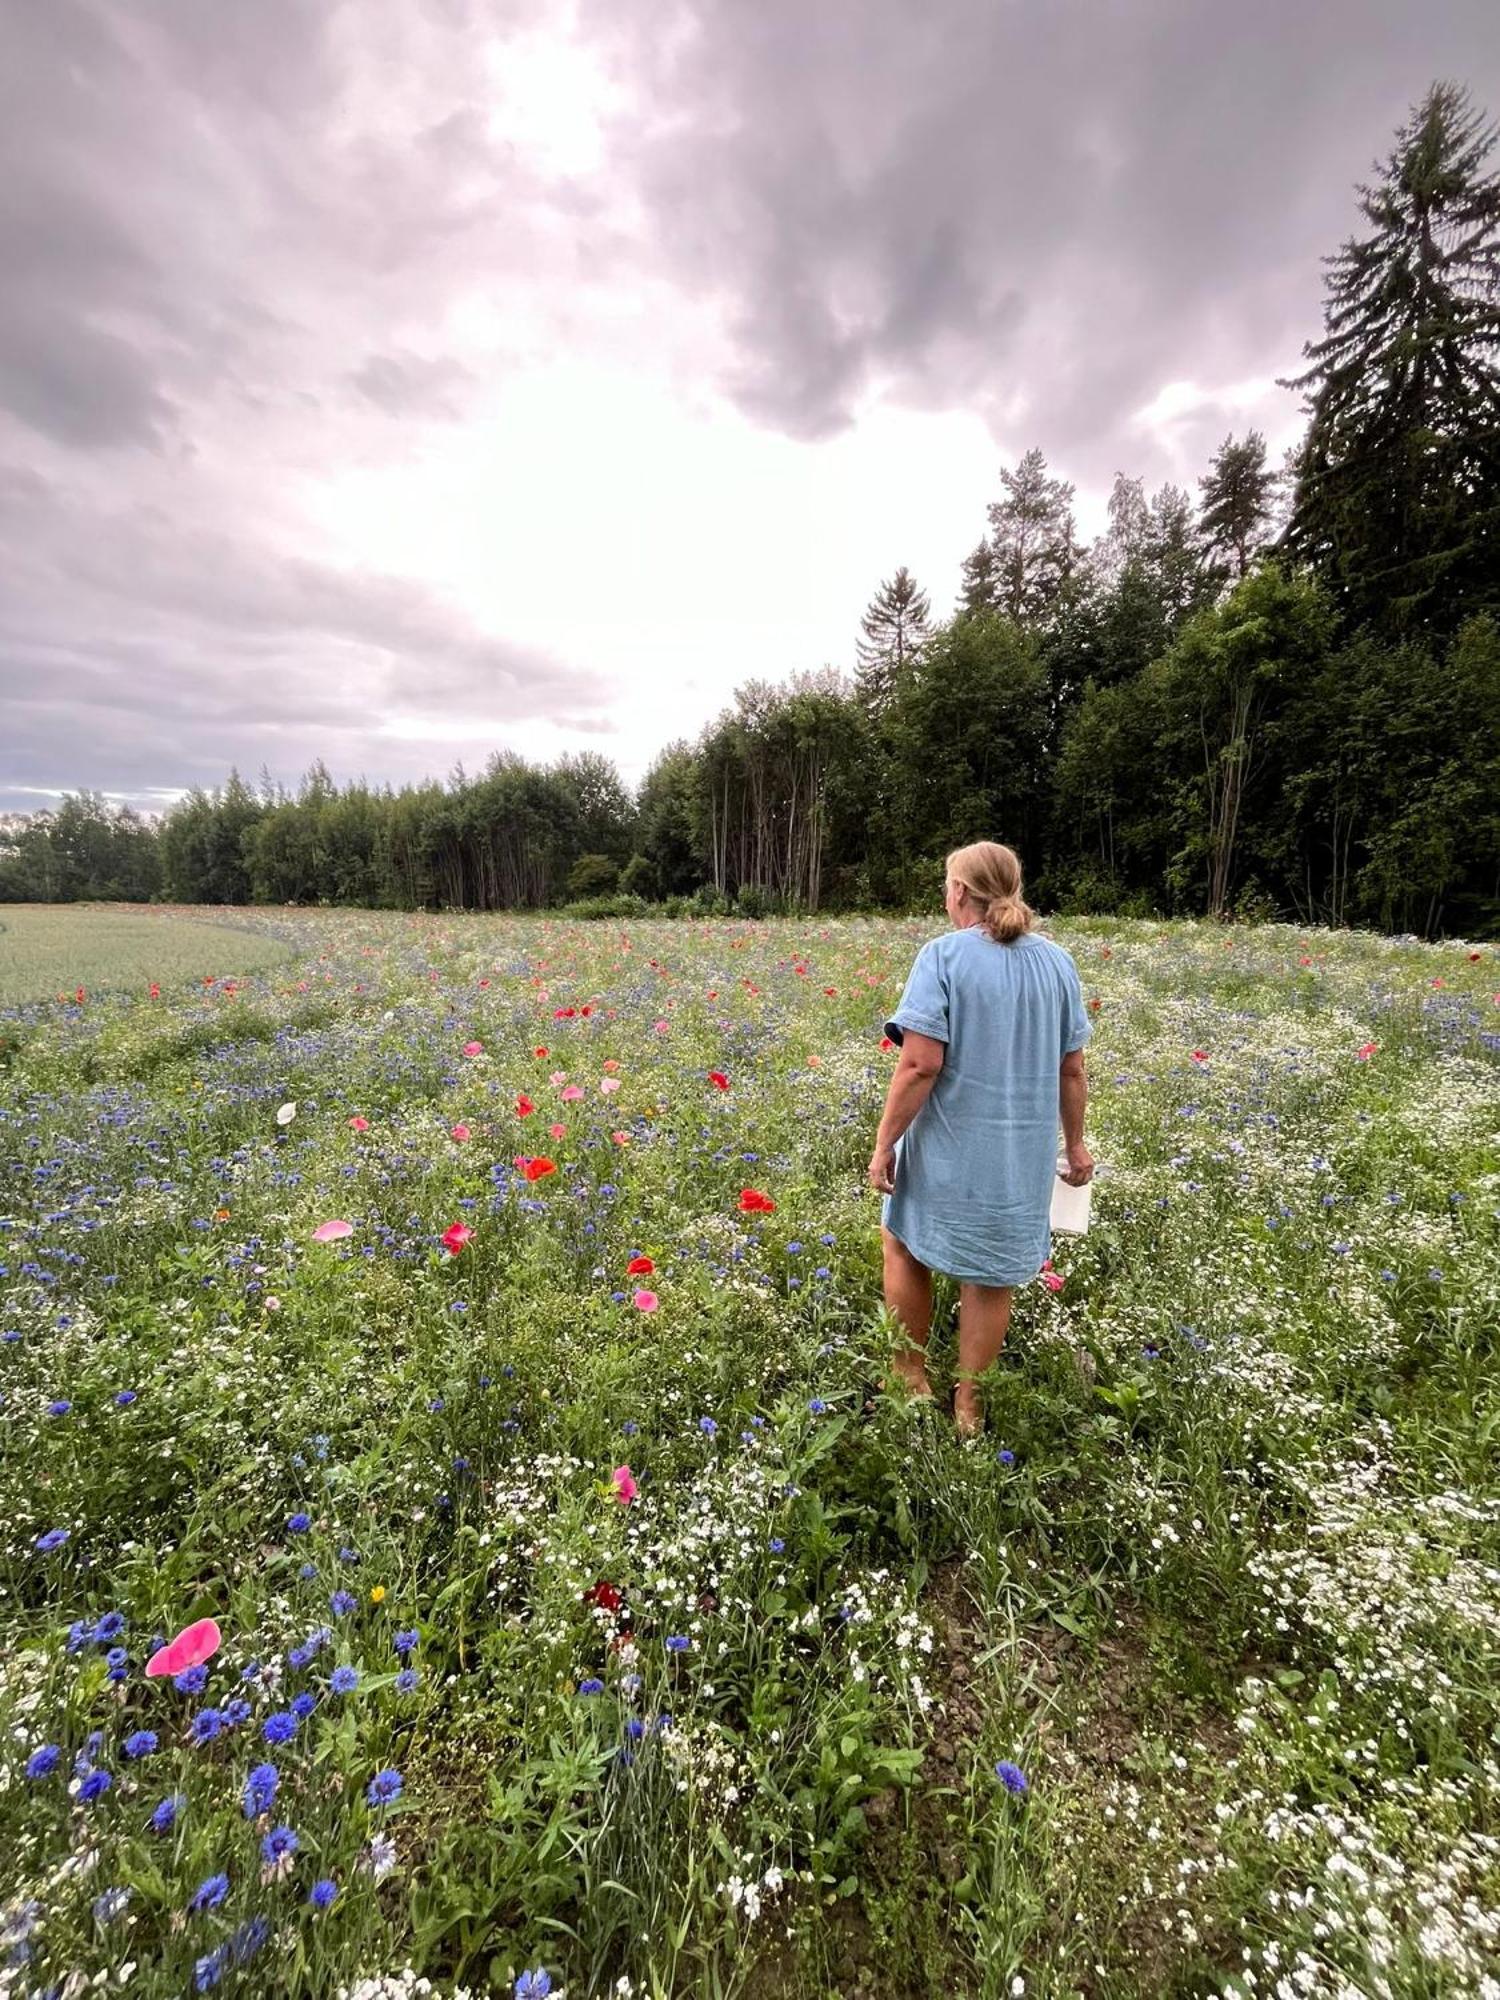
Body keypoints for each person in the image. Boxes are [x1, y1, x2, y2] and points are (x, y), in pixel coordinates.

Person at [867, 841, 1094, 1436]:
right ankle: (969, 1407)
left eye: (948, 886)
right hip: (1018, 1160)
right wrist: (1075, 1147)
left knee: (903, 1244)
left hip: (945, 1148)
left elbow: (919, 1065)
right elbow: (1071, 1070)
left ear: (960, 892)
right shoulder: (1057, 964)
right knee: (991, 1277)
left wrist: (885, 1141)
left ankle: (912, 1379)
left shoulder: (942, 957)